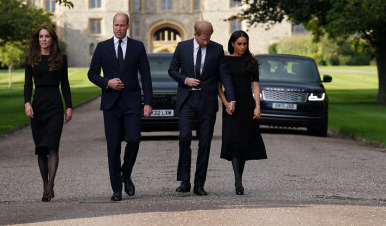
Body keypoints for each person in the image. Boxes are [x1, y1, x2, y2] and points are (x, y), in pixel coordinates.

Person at [87, 13, 153, 202]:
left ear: (128, 26)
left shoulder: (138, 47)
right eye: (116, 25)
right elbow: (92, 74)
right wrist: (107, 82)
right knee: (113, 147)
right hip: (111, 105)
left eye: (122, 25)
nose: (118, 28)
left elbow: (146, 76)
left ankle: (126, 173)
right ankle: (116, 189)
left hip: (132, 103)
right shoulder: (102, 48)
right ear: (112, 26)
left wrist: (147, 102)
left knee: (134, 139)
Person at [168, 21, 236, 196]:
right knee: (184, 138)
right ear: (195, 34)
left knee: (204, 143)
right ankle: (184, 180)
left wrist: (231, 99)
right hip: (187, 100)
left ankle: (199, 184)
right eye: (203, 39)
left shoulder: (217, 49)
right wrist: (185, 80)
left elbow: (225, 75)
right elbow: (172, 70)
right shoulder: (182, 47)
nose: (206, 42)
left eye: (208, 39)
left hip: (207, 102)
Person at [24, 25, 73, 202]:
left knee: (53, 145)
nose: (44, 39)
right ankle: (45, 186)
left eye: (47, 36)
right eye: (41, 36)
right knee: (41, 149)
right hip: (38, 106)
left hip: (54, 106)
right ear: (38, 39)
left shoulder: (61, 59)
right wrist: (27, 102)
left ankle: (51, 185)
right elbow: (27, 84)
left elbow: (65, 84)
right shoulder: (31, 59)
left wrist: (69, 106)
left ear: (52, 39)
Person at [218, 30, 267, 195]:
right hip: (232, 107)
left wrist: (258, 106)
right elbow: (219, 86)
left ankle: (239, 180)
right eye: (239, 44)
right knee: (233, 140)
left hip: (247, 105)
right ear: (232, 43)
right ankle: (238, 181)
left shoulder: (251, 62)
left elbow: (255, 85)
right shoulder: (224, 61)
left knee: (244, 142)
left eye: (245, 44)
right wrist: (226, 103)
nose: (242, 47)